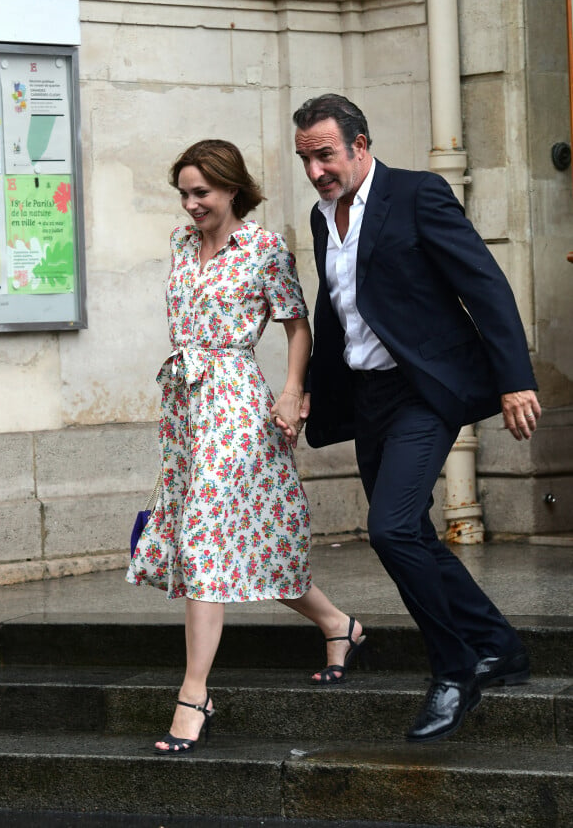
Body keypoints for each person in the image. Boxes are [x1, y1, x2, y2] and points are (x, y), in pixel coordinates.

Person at [291, 94, 542, 744]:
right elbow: (336, 305)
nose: (317, 169)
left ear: (360, 145)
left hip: (425, 390)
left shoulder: (417, 195)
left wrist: (515, 379)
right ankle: (497, 644)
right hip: (370, 396)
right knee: (414, 535)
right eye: (306, 159)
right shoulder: (324, 218)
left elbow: (483, 282)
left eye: (325, 154)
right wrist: (316, 385)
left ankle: (456, 671)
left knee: (392, 529)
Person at [126, 139, 366, 756]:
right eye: (184, 193)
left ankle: (194, 691)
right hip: (185, 404)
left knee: (206, 537)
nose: (191, 204)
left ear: (233, 189)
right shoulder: (182, 245)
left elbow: (297, 325)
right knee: (251, 539)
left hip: (236, 405)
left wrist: (292, 392)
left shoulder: (263, 249)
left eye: (202, 192)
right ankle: (340, 625)